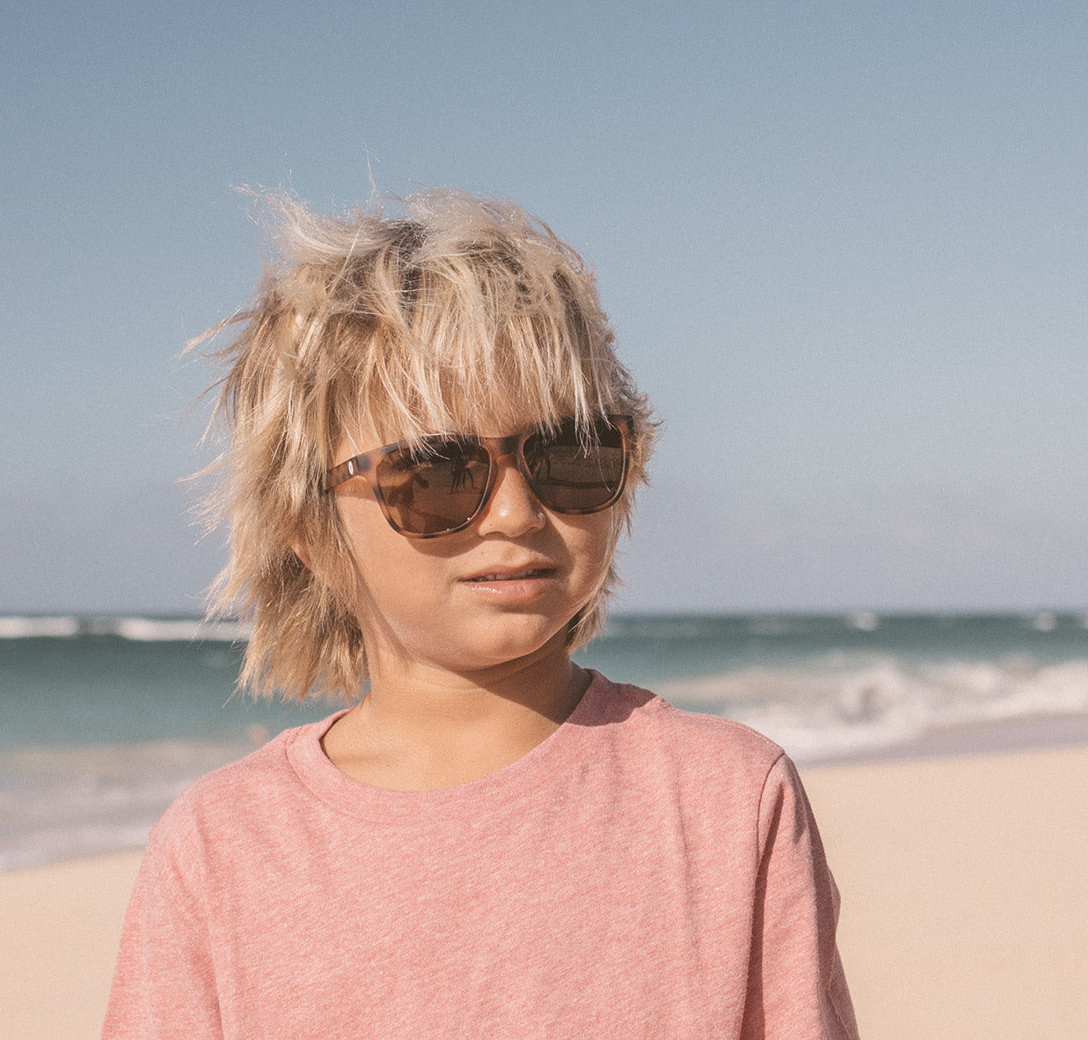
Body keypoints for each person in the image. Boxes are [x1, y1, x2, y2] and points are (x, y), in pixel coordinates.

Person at [104, 189, 858, 1038]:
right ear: (308, 530)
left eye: (568, 453)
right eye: (434, 472)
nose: (515, 513)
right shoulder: (222, 848)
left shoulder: (727, 800)